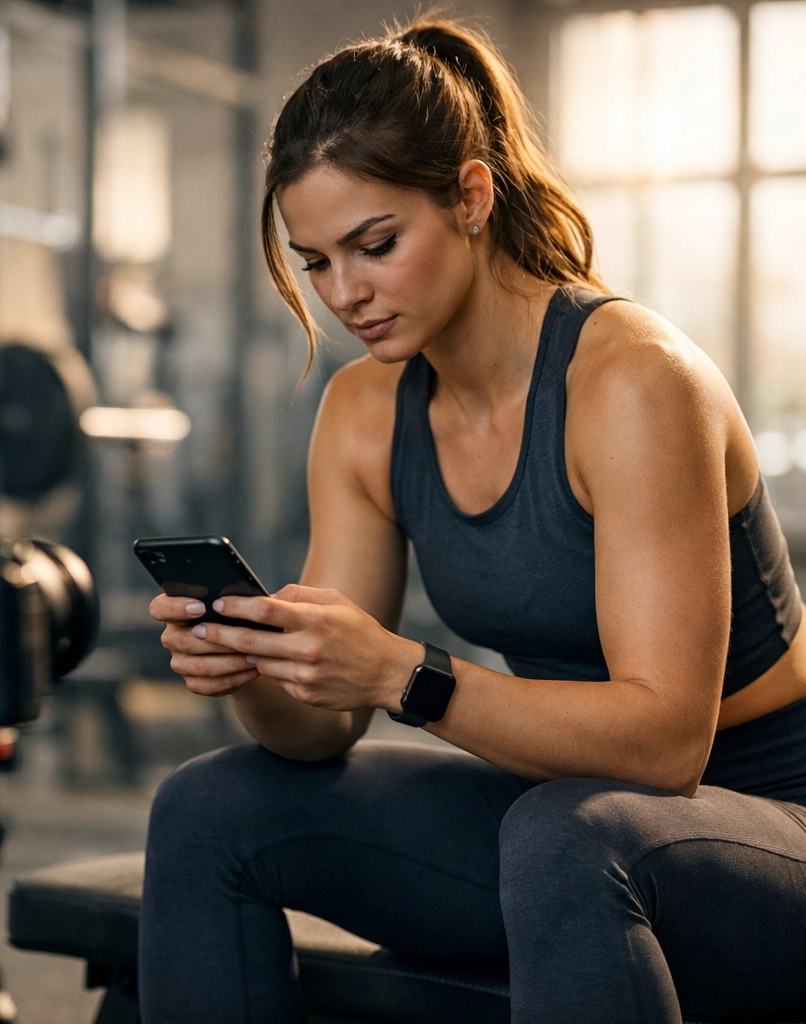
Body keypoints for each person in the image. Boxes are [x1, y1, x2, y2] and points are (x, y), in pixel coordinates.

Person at [139, 17, 806, 1024]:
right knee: (208, 805)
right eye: (314, 261)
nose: (345, 294)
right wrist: (263, 667)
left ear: (471, 196)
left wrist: (404, 672)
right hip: (561, 812)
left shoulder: (630, 379)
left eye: (376, 245)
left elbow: (670, 746)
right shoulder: (367, 410)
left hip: (757, 830)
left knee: (563, 834)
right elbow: (319, 735)